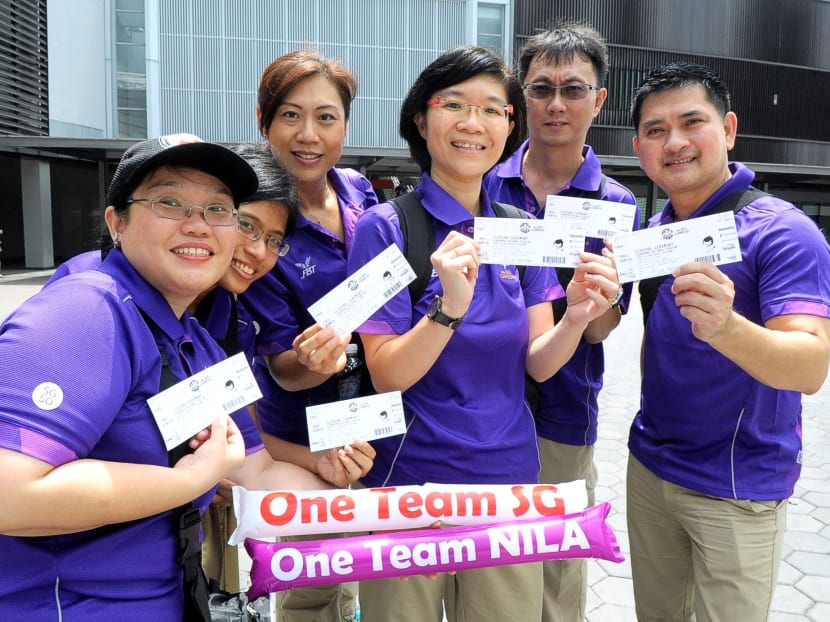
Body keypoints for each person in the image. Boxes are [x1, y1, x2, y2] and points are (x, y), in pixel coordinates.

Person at [0, 136, 333, 622]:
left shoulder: (198, 343)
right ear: (117, 222)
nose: (197, 224)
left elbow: (258, 474)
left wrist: (396, 518)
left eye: (219, 209)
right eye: (170, 202)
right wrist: (190, 479)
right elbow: (10, 495)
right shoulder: (86, 310)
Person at [347, 45, 621, 622]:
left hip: (507, 485)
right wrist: (447, 308)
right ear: (422, 119)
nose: (474, 124)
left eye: (494, 110)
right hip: (408, 484)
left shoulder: (522, 230)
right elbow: (387, 372)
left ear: (509, 125)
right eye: (455, 105)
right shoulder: (385, 227)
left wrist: (576, 314)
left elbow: (539, 363)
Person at [627, 61, 830, 621]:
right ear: (639, 146)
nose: (675, 142)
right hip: (650, 468)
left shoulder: (784, 231)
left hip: (736, 487)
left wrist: (727, 326)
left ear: (729, 129)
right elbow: (655, 341)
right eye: (655, 129)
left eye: (692, 122)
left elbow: (810, 365)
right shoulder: (654, 232)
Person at [483, 22, 638, 621]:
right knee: (490, 562)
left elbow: (603, 330)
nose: (555, 104)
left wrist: (592, 307)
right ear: (522, 95)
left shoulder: (616, 204)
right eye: (541, 87)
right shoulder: (484, 182)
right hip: (483, 409)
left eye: (573, 89)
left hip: (565, 411)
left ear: (598, 100)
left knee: (555, 565)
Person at [242, 49, 378, 622]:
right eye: (290, 116)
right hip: (298, 439)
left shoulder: (359, 192)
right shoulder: (261, 222)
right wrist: (310, 363)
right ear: (264, 122)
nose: (308, 134)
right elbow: (280, 366)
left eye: (326, 117)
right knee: (311, 581)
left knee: (367, 572)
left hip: (371, 422)